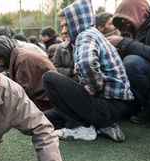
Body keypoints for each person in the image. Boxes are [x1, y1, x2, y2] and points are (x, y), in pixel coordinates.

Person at [42, 0, 134, 142]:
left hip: (105, 107)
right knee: (48, 117)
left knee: (49, 78)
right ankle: (102, 126)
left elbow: (86, 62)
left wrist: (93, 87)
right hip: (113, 108)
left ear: (77, 22)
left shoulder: (85, 36)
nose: (63, 31)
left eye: (66, 25)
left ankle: (81, 128)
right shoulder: (91, 33)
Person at [108, 0, 150, 124]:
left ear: (139, 13)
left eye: (126, 17)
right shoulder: (135, 28)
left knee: (132, 63)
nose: (123, 22)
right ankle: (136, 105)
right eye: (120, 19)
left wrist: (123, 43)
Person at [0, 36, 56, 111]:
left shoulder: (22, 61)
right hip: (44, 100)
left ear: (4, 54)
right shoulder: (19, 57)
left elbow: (22, 95)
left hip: (45, 103)